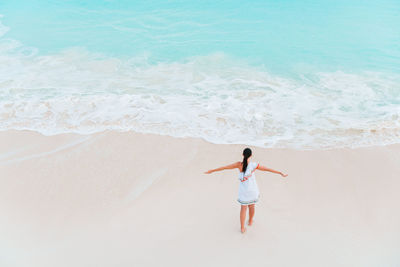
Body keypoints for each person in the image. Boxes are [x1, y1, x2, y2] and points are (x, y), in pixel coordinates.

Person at [204, 148, 288, 233]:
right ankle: (250, 221)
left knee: (243, 208)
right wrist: (280, 173)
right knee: (252, 206)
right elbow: (267, 169)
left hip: (244, 191)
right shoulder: (254, 165)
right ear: (251, 155)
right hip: (252, 190)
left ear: (242, 155)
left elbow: (225, 167)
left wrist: (212, 171)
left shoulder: (238, 165)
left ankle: (242, 228)